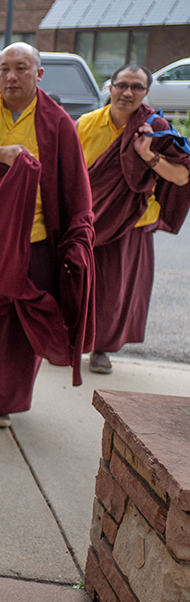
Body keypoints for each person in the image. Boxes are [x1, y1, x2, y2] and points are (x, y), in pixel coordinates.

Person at [0, 42, 95, 428]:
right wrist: (4, 155)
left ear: (39, 74)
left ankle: (1, 400)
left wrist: (78, 236)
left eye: (21, 68)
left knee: (15, 327)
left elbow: (76, 186)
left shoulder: (57, 122)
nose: (11, 76)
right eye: (4, 68)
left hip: (32, 238)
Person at [76, 65, 190, 375]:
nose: (128, 92)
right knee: (77, 285)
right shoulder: (86, 124)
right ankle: (72, 342)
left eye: (136, 87)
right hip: (87, 222)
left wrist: (148, 155)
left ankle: (103, 348)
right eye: (122, 85)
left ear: (146, 93)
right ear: (110, 88)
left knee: (116, 291)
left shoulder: (156, 127)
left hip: (131, 224)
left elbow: (182, 176)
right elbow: (68, 174)